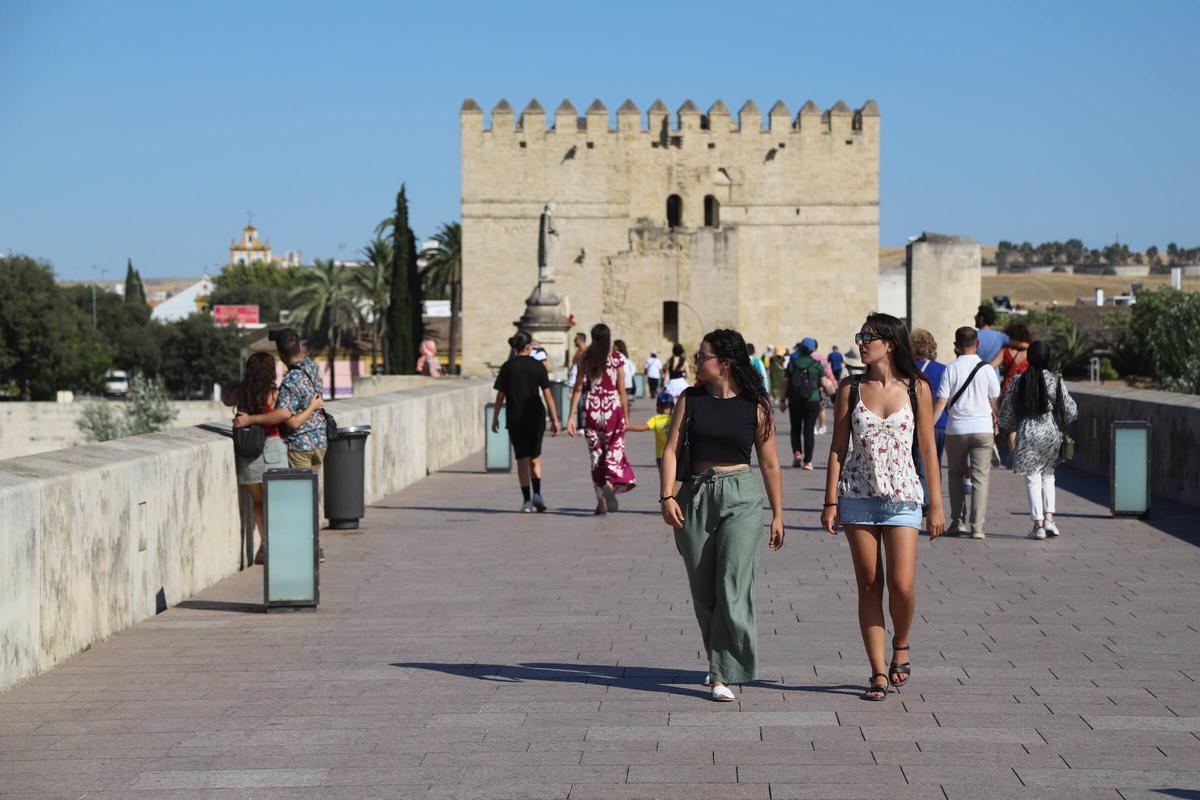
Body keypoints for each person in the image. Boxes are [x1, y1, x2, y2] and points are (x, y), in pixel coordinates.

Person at [821, 312, 945, 702]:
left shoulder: (916, 389)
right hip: (858, 494)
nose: (860, 342)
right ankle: (877, 671)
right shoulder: (849, 389)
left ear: (889, 343)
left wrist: (937, 504)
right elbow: (838, 447)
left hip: (904, 495)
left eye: (868, 337)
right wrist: (830, 500)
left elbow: (927, 448)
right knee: (870, 584)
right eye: (860, 336)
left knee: (902, 586)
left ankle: (902, 644)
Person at [660, 329, 784, 702]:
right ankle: (720, 661)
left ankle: (721, 672)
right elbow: (670, 450)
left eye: (704, 356)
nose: (698, 362)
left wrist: (779, 513)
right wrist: (666, 496)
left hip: (741, 496)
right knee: (703, 591)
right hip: (695, 495)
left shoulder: (756, 404)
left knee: (732, 586)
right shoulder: (690, 399)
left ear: (725, 364)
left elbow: (770, 463)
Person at [233, 329, 328, 558]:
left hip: (280, 447)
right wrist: (313, 407)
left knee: (272, 501)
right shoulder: (311, 368)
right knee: (297, 498)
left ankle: (273, 544)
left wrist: (249, 417)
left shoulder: (253, 390)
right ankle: (308, 546)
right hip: (313, 442)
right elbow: (286, 416)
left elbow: (287, 417)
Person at [226, 351, 313, 565]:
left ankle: (265, 542)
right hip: (273, 446)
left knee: (258, 500)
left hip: (249, 450)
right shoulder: (274, 393)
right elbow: (283, 415)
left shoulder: (242, 391)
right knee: (277, 500)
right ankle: (279, 542)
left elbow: (227, 400)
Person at [998, 341, 1077, 540]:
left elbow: (1006, 414)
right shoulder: (1055, 380)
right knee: (1049, 476)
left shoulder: (1018, 381)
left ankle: (1038, 525)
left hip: (1028, 432)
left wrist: (1008, 429)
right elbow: (1070, 410)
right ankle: (1050, 519)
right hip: (1050, 432)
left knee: (1032, 478)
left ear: (1030, 358)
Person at [931, 327, 1001, 539]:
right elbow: (994, 400)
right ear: (977, 344)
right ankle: (977, 526)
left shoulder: (951, 369)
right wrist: (997, 423)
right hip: (982, 429)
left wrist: (927, 428)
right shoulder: (987, 369)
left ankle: (957, 521)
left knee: (955, 474)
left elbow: (941, 403)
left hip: (957, 429)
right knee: (981, 478)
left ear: (956, 345)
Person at [567, 323, 636, 514]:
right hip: (612, 408)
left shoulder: (585, 359)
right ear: (608, 338)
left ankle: (601, 503)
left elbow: (578, 388)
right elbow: (622, 389)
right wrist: (626, 417)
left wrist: (570, 418)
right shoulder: (617, 359)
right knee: (615, 451)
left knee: (596, 456)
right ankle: (610, 484)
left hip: (592, 409)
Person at [492, 331, 561, 512]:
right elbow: (547, 394)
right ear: (528, 347)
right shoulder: (538, 366)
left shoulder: (507, 367)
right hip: (536, 416)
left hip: (515, 416)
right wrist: (555, 419)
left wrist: (495, 417)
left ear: (514, 347)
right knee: (535, 457)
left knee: (522, 459)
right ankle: (538, 493)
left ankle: (527, 501)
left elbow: (500, 395)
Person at [910, 329, 948, 509]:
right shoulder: (942, 369)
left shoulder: (907, 369)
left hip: (917, 422)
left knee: (920, 461)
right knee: (936, 461)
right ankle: (935, 498)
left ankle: (925, 498)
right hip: (941, 423)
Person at [780, 338, 826, 469]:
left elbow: (785, 382)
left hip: (795, 400)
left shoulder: (793, 363)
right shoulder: (817, 364)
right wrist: (834, 395)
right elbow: (824, 382)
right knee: (809, 430)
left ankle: (797, 453)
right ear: (813, 349)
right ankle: (808, 462)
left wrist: (782, 400)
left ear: (800, 348)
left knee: (795, 428)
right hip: (813, 400)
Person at [993, 323, 1032, 467]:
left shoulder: (1005, 351)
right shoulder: (1031, 351)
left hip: (1009, 390)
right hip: (1026, 390)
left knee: (1012, 428)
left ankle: (1015, 460)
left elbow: (991, 366)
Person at [626, 391, 675, 471]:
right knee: (672, 479)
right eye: (665, 407)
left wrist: (628, 427)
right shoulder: (674, 418)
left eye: (667, 407)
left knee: (665, 480)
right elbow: (644, 427)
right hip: (670, 454)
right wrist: (628, 427)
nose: (666, 409)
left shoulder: (657, 419)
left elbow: (643, 427)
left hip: (663, 455)